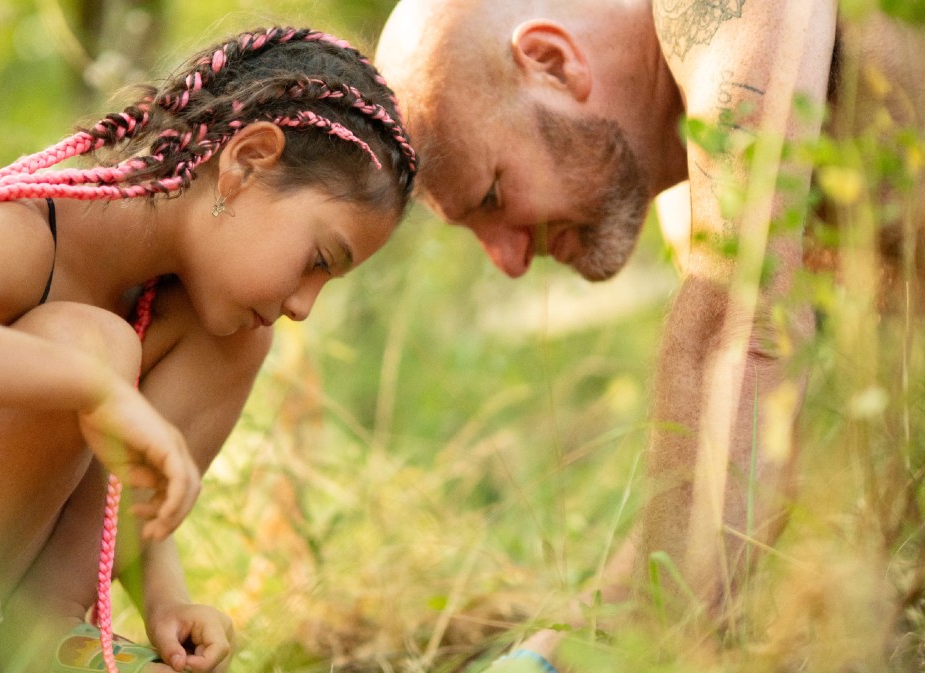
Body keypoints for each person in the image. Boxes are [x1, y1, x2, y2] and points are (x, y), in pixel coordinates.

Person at [374, 0, 925, 669]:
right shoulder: (689, 206)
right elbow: (726, 488)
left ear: (552, 62)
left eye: (492, 196)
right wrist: (547, 656)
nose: (510, 261)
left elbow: (741, 333)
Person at [0, 25, 417, 673]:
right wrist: (89, 384)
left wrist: (164, 595)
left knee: (225, 337)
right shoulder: (22, 229)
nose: (303, 305)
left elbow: (108, 468)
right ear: (248, 160)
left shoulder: (179, 306)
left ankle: (51, 641)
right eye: (317, 259)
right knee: (91, 345)